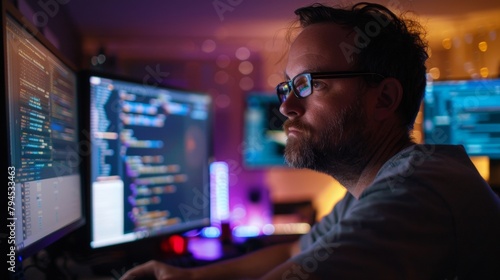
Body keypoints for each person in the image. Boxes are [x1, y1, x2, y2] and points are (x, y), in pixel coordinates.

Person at [121, 2, 500, 279]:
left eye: (309, 84)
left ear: (383, 98)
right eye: (288, 85)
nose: (285, 106)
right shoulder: (372, 190)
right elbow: (293, 251)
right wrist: (187, 277)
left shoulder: (418, 191)